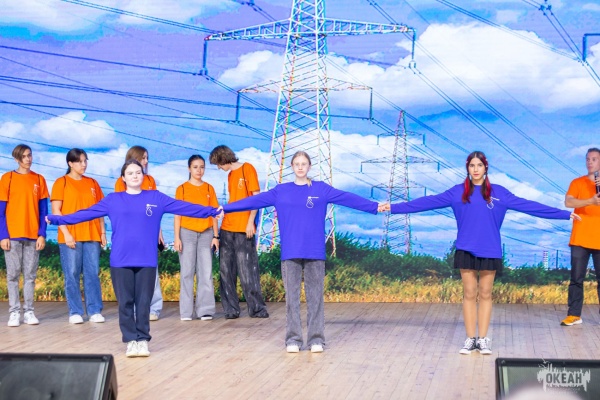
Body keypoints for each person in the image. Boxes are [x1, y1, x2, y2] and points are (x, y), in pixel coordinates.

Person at [381, 150, 580, 355]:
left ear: (486, 168)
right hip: (465, 248)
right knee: (469, 293)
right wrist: (393, 208)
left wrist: (564, 215)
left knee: (485, 294)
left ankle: (483, 339)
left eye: (479, 165)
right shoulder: (457, 193)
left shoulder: (500, 193)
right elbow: (426, 202)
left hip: (490, 249)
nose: (475, 169)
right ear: (467, 168)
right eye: (471, 165)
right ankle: (470, 339)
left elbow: (529, 206)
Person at [47, 160, 222, 357]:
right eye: (130, 173)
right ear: (123, 178)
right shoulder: (113, 200)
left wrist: (211, 211)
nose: (134, 176)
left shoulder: (155, 198)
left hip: (146, 259)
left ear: (143, 176)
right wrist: (58, 219)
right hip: (121, 260)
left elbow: (184, 207)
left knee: (144, 302)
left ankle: (143, 340)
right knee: (126, 302)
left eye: (138, 172)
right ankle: (131, 340)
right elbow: (86, 214)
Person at [223, 151, 382, 353]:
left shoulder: (321, 189)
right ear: (292, 166)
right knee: (292, 299)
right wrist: (225, 209)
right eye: (297, 163)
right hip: (290, 253)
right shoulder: (281, 191)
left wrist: (374, 206)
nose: (300, 167)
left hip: (315, 252)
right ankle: (293, 340)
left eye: (304, 163)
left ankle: (316, 340)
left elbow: (347, 198)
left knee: (315, 298)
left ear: (309, 166)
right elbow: (253, 201)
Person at [209, 145, 268, 319]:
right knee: (226, 272)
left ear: (224, 159)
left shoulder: (247, 168)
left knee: (247, 271)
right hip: (227, 227)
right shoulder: (230, 175)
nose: (219, 168)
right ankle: (231, 310)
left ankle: (257, 309)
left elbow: (256, 198)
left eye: (218, 164)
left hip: (244, 228)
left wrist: (251, 222)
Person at [51, 148, 107, 324]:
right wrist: (66, 233)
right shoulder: (61, 182)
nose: (84, 165)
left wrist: (102, 232)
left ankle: (94, 310)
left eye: (85, 161)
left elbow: (100, 210)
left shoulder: (93, 183)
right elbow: (56, 211)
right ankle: (75, 312)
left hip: (91, 234)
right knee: (72, 273)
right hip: (70, 235)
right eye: (80, 161)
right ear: (70, 163)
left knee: (92, 273)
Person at [0, 144, 49, 327]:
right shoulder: (7, 178)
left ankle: (29, 312)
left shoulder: (39, 179)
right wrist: (3, 235)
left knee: (30, 275)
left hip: (33, 235)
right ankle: (14, 312)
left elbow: (44, 210)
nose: (28, 159)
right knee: (12, 275)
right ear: (16, 159)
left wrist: (42, 234)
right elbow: (1, 211)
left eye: (29, 155)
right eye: (24, 156)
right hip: (12, 236)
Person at [115, 145, 163, 321]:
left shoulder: (150, 180)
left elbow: (155, 209)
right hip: (129, 235)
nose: (146, 161)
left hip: (148, 234)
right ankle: (136, 309)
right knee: (132, 276)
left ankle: (154, 308)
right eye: (143, 158)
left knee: (151, 273)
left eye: (147, 158)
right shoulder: (120, 183)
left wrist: (159, 232)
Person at [174, 155, 219, 321]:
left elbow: (215, 213)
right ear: (189, 169)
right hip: (187, 233)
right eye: (195, 167)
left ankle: (205, 310)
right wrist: (177, 237)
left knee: (206, 272)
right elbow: (177, 215)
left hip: (206, 233)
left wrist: (216, 236)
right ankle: (186, 312)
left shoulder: (209, 188)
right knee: (187, 272)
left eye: (202, 167)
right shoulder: (182, 189)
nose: (199, 170)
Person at [561, 147, 600, 326]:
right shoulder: (577, 182)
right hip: (580, 238)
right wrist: (590, 201)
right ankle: (574, 314)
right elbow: (568, 202)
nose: (590, 162)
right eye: (587, 159)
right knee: (576, 278)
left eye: (594, 159)